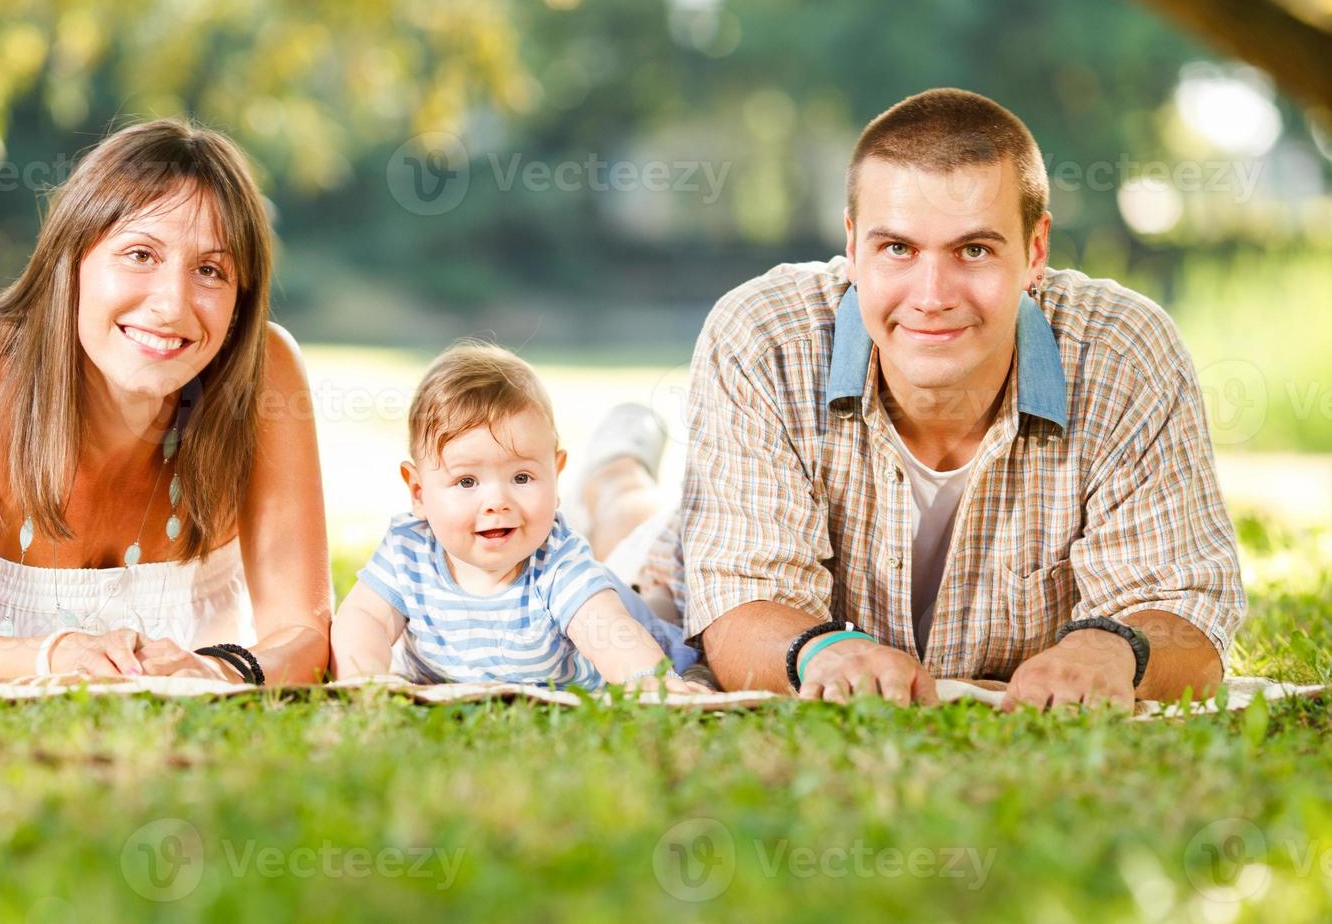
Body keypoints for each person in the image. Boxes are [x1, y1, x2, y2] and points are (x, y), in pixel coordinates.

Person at [580, 88, 1247, 712]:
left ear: (1035, 249)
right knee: (629, 533)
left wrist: (1114, 652)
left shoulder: (1126, 354)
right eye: (897, 247)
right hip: (676, 566)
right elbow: (739, 608)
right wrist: (823, 652)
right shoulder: (764, 339)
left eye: (975, 249)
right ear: (851, 245)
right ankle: (616, 465)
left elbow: (1187, 610)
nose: (932, 296)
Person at [0, 118, 332, 685]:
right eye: (140, 255)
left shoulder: (264, 374)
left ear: (240, 301)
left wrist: (219, 669)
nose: (172, 305)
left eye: (210, 270)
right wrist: (59, 654)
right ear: (71, 260)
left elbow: (308, 635)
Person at [330, 342, 705, 693]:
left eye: (521, 478)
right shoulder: (408, 552)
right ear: (419, 493)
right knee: (635, 581)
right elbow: (365, 619)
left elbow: (609, 631)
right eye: (466, 481)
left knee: (663, 612)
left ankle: (657, 581)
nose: (497, 502)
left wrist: (649, 683)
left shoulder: (556, 561)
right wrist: (364, 681)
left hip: (639, 625)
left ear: (556, 476)